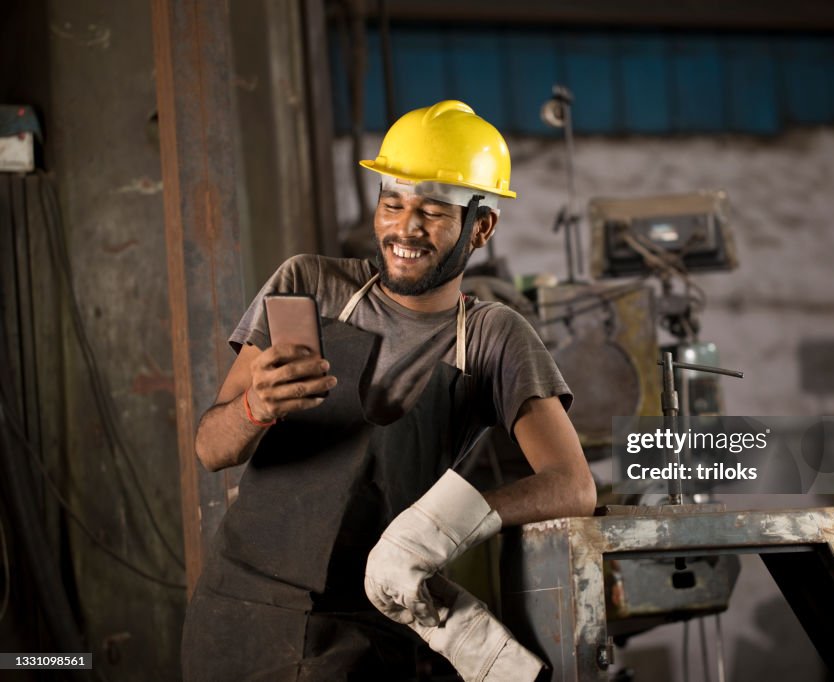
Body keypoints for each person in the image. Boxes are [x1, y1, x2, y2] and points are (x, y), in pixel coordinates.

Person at [180, 100, 596, 681]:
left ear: (481, 227)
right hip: (238, 616)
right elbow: (210, 449)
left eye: (433, 210)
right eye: (393, 203)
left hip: (367, 633)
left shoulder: (492, 338)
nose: (406, 228)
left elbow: (573, 485)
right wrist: (254, 408)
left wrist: (436, 532)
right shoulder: (310, 286)